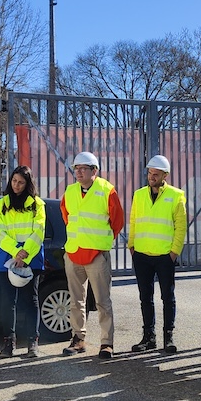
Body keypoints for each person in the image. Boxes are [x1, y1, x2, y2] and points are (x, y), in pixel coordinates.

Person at [62, 151, 125, 358]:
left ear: (94, 171)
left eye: (83, 169)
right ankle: (78, 339)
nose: (78, 172)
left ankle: (107, 343)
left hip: (97, 255)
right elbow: (66, 217)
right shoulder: (69, 192)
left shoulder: (107, 190)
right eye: (76, 169)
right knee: (75, 300)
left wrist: (101, 242)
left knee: (102, 301)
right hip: (73, 253)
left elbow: (117, 222)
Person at [129, 154, 187, 354]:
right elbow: (134, 221)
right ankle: (148, 337)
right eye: (150, 172)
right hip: (142, 254)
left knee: (167, 297)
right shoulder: (138, 195)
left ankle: (168, 337)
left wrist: (174, 252)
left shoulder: (176, 195)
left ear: (165, 175)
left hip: (164, 256)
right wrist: (131, 246)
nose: (151, 176)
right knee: (145, 297)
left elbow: (181, 227)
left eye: (156, 173)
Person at [0, 165, 46, 359]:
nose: (16, 185)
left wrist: (25, 255)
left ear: (28, 184)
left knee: (30, 300)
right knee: (8, 302)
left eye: (21, 182)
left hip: (30, 257)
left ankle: (33, 342)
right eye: (14, 181)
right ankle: (9, 342)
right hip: (8, 256)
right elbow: (0, 233)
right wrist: (17, 253)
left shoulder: (37, 205)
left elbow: (39, 232)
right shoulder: (1, 205)